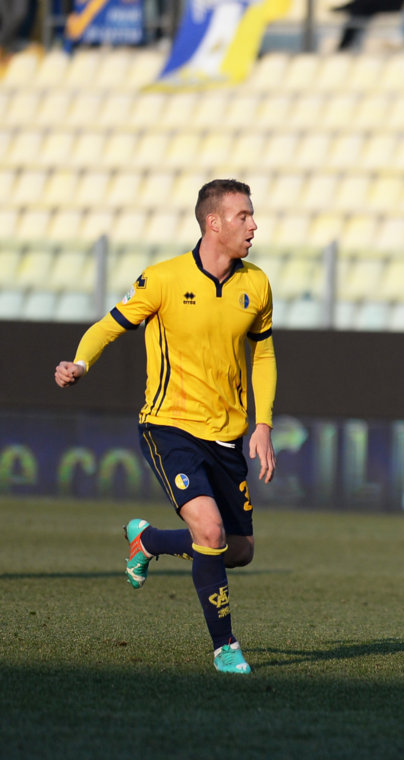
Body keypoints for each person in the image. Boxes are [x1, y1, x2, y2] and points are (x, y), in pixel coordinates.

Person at [54, 179, 276, 675]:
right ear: (213, 222)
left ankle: (148, 541)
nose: (254, 224)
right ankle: (226, 647)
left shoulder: (256, 283)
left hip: (227, 435)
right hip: (169, 426)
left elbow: (263, 354)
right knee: (210, 529)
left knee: (238, 551)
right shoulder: (163, 279)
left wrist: (262, 423)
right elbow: (110, 324)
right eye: (244, 216)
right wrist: (81, 363)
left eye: (252, 215)